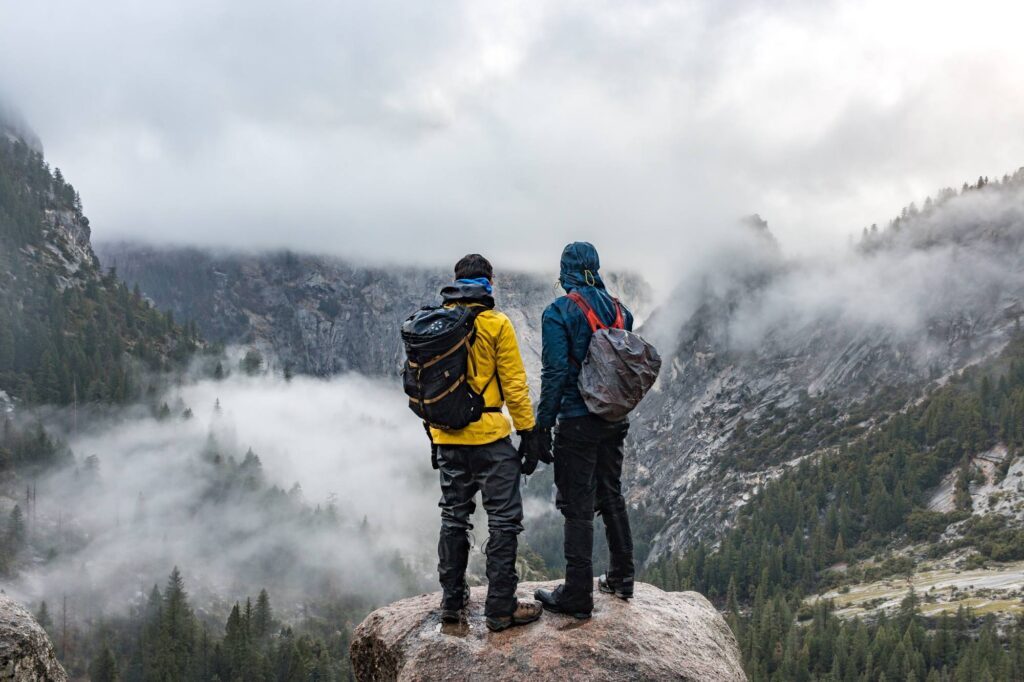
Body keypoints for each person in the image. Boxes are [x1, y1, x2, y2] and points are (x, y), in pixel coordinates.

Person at [430, 253, 544, 632]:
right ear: (489, 283)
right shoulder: (496, 324)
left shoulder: (434, 326)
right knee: (504, 522)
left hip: (446, 438)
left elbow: (424, 391)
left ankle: (451, 606)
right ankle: (499, 609)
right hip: (491, 439)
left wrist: (435, 437)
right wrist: (528, 434)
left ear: (456, 281)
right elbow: (514, 385)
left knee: (453, 518)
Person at [533, 242, 636, 618]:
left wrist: (542, 425)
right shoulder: (622, 312)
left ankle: (578, 594)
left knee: (577, 506)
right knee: (611, 494)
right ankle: (622, 578)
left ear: (566, 271)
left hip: (577, 421)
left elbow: (556, 373)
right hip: (614, 418)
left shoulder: (559, 312)